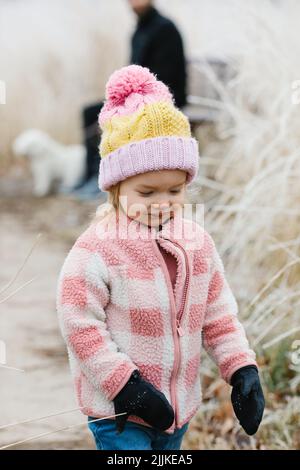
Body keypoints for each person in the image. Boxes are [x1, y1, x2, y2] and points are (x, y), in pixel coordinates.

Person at [56, 65, 265, 451]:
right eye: (147, 192)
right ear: (116, 187)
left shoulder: (196, 243)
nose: (163, 204)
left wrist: (241, 368)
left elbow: (218, 314)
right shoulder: (99, 247)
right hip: (119, 414)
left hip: (177, 412)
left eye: (175, 190)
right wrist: (125, 385)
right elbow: (78, 322)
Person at [74, 0, 187, 199]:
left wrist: (138, 96)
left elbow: (166, 75)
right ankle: (91, 174)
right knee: (91, 112)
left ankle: (103, 178)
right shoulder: (140, 29)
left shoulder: (164, 28)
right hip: (140, 92)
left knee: (106, 114)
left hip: (164, 95)